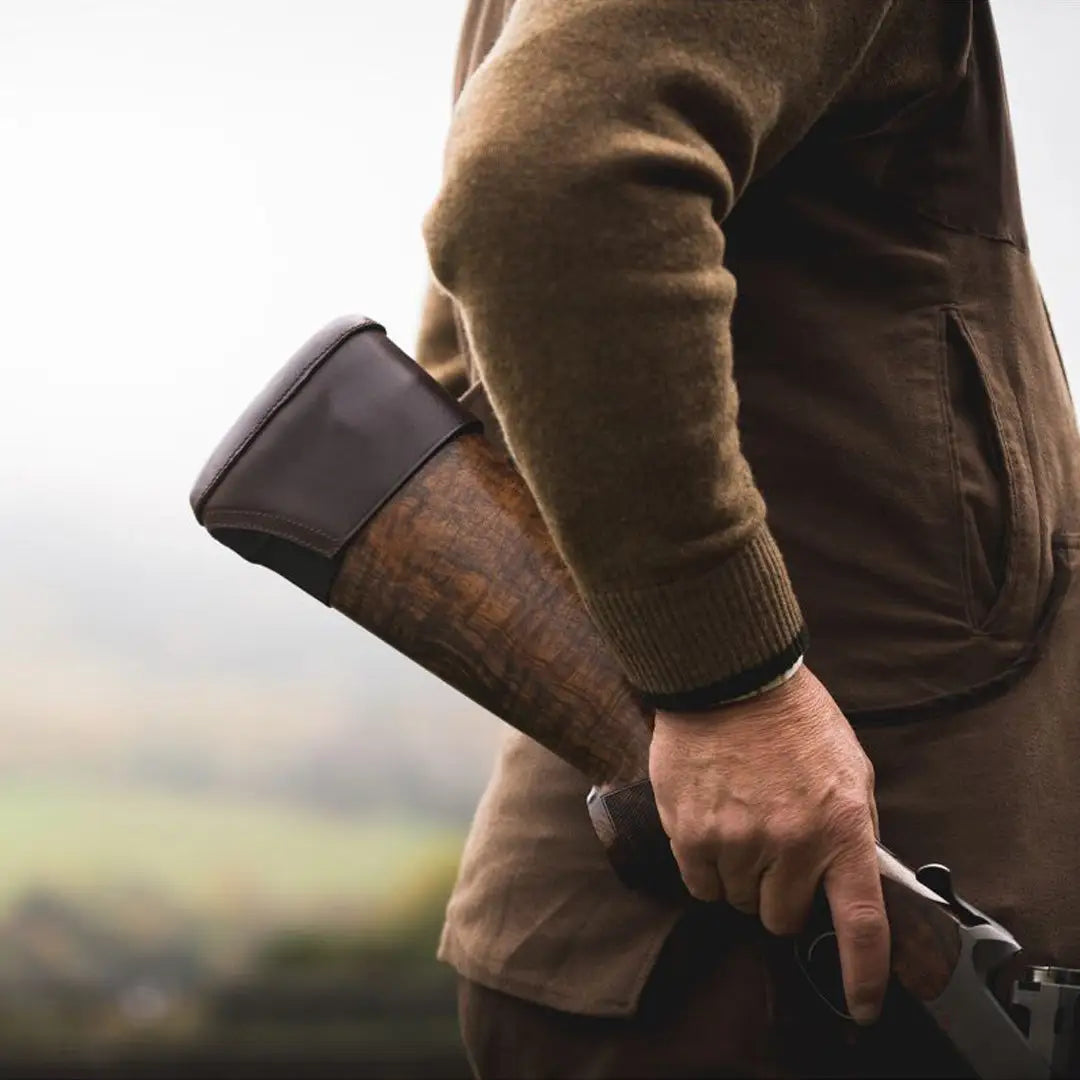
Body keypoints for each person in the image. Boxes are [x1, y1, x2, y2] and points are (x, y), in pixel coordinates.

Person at [416, 1, 1080, 1076]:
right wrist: (733, 688)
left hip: (780, 964)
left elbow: (472, 365)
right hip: (777, 973)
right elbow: (545, 185)